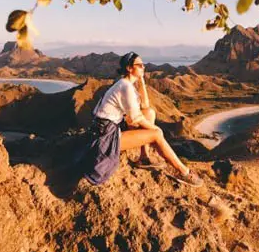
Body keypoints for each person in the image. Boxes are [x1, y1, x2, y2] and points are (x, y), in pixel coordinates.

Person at [82, 51, 203, 187]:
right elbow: (136, 118)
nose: (143, 67)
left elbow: (145, 106)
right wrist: (156, 129)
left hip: (112, 127)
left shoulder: (127, 84)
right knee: (156, 134)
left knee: (149, 113)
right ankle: (184, 173)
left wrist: (142, 81)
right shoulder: (125, 86)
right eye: (140, 65)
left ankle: (144, 157)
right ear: (129, 68)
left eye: (143, 65)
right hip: (105, 136)